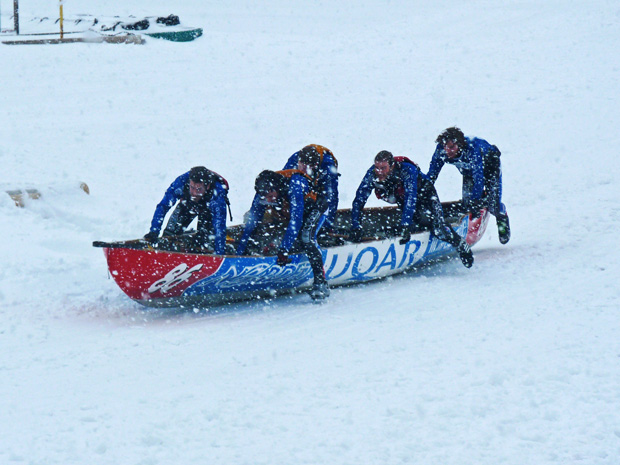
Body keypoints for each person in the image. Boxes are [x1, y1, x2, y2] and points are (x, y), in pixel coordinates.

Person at [350, 150, 473, 268]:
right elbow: (359, 200)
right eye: (377, 168)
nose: (379, 172)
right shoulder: (372, 174)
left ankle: (461, 245)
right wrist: (355, 226)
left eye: (383, 168)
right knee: (413, 224)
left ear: (392, 166)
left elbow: (411, 198)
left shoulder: (407, 170)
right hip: (402, 197)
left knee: (437, 228)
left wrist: (405, 225)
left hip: (426, 195)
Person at [237, 150, 330, 300]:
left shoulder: (295, 186)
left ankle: (320, 283)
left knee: (306, 237)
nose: (268, 200)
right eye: (264, 197)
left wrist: (284, 249)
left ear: (276, 189)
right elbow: (251, 224)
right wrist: (239, 254)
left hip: (315, 209)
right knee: (252, 220)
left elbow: (296, 221)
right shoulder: (263, 192)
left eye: (270, 196)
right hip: (291, 210)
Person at [427, 127, 510, 244]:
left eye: (451, 147)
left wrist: (476, 199)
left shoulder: (472, 148)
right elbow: (433, 172)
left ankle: (502, 218)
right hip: (468, 171)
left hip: (491, 167)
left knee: (492, 204)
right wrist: (425, 189)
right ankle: (467, 228)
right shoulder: (441, 149)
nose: (447, 151)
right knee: (467, 206)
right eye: (445, 147)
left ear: (460, 145)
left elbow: (479, 178)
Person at [144, 166, 230, 254]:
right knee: (169, 236)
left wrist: (220, 255)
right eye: (192, 187)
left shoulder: (217, 195)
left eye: (199, 189)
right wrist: (154, 231)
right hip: (187, 204)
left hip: (208, 211)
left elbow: (219, 227)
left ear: (207, 186)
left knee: (206, 242)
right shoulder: (181, 183)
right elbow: (163, 206)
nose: (194, 193)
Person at [283, 144, 339, 236]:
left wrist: (326, 226)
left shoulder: (328, 168)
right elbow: (283, 182)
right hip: (302, 188)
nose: (303, 170)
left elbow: (332, 198)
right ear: (299, 161)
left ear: (315, 165)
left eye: (306, 168)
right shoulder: (294, 160)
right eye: (301, 166)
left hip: (319, 186)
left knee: (321, 202)